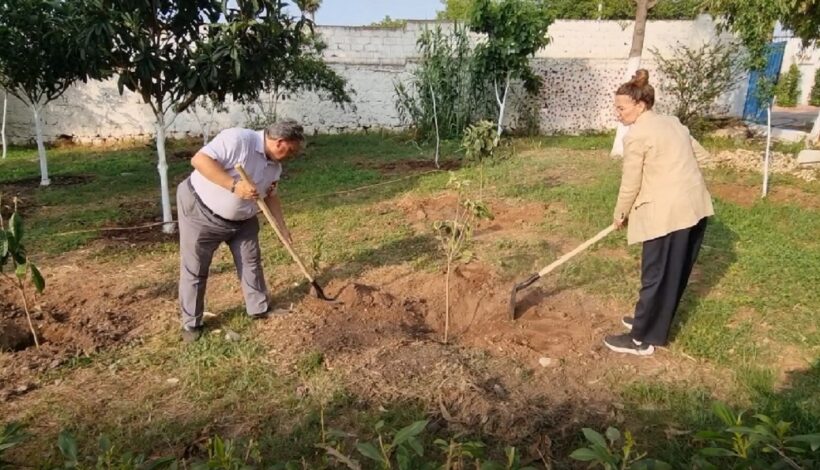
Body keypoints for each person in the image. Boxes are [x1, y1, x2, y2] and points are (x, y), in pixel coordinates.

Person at [604, 70, 714, 356]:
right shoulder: (673, 123)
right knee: (672, 274)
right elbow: (702, 156)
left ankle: (640, 340)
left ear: (640, 106)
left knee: (655, 276)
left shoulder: (637, 135)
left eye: (621, 107)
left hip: (667, 216)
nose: (617, 113)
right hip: (695, 209)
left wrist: (620, 214)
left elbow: (631, 183)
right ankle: (650, 323)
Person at [176, 120, 304, 342]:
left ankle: (259, 308)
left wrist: (282, 228)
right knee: (196, 267)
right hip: (201, 213)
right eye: (291, 150)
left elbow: (271, 196)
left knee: (250, 260)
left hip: (244, 220)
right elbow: (199, 160)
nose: (293, 155)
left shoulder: (275, 166)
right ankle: (191, 324)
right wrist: (234, 186)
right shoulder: (238, 140)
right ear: (279, 142)